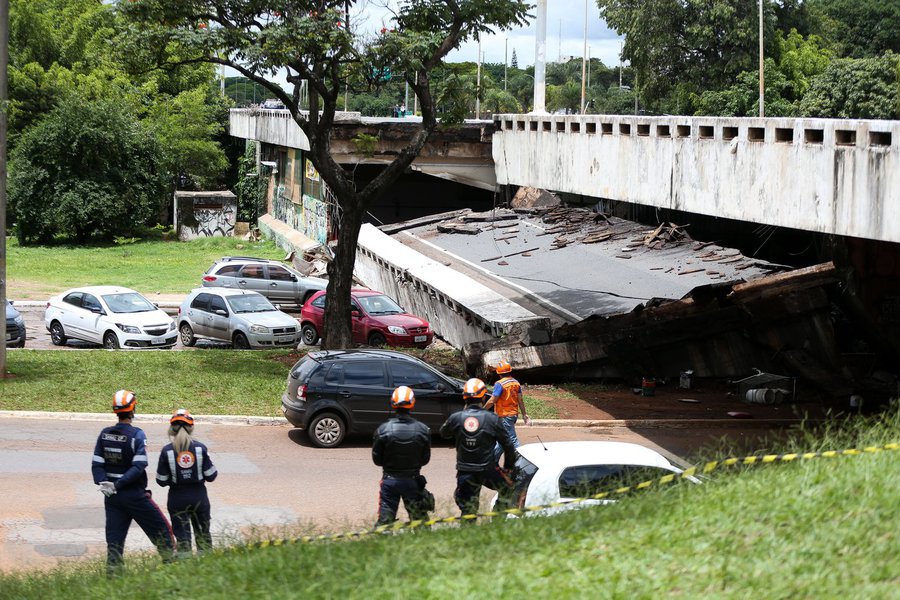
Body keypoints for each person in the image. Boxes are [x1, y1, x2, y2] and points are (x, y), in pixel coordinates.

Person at [91, 390, 175, 573]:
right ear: (133, 409)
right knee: (163, 532)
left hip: (112, 498)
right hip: (134, 496)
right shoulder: (137, 435)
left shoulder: (104, 435)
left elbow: (96, 464)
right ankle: (173, 571)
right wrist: (119, 484)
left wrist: (104, 483)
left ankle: (113, 579)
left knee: (114, 542)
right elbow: (139, 466)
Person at [440, 378, 517, 521]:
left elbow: (444, 433)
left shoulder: (456, 418)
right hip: (488, 470)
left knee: (468, 510)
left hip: (465, 471)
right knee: (508, 488)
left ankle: (467, 522)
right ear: (482, 397)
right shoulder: (493, 419)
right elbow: (508, 446)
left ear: (465, 397)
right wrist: (508, 469)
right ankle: (498, 519)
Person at [155, 409, 218, 557]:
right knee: (203, 537)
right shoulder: (200, 448)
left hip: (177, 499)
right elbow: (211, 475)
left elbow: (161, 480)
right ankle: (206, 567)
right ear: (191, 428)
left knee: (183, 540)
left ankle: (185, 570)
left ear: (172, 429)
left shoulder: (167, 451)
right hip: (199, 498)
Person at [372, 386, 432, 526]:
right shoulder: (423, 430)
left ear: (393, 403)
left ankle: (383, 546)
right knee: (420, 521)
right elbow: (425, 459)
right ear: (413, 402)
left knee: (385, 522)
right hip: (413, 481)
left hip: (390, 480)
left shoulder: (382, 429)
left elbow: (377, 460)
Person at [483, 360, 530, 448]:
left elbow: (492, 400)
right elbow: (520, 400)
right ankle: (493, 460)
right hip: (513, 415)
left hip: (505, 416)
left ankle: (521, 458)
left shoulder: (500, 384)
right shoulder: (516, 383)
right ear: (509, 371)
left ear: (499, 373)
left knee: (512, 440)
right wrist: (524, 414)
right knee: (502, 440)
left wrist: (482, 409)